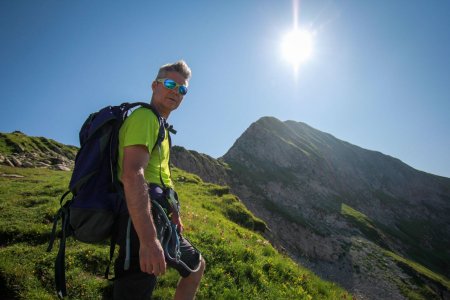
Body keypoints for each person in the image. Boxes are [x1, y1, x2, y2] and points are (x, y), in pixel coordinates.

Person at [113, 60, 206, 299]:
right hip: (140, 219)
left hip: (160, 215)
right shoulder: (145, 118)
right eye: (169, 84)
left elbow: (162, 177)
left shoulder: (161, 126)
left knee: (196, 266)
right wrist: (149, 239)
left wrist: (174, 212)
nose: (176, 91)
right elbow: (132, 174)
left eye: (182, 89)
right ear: (155, 85)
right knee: (136, 288)